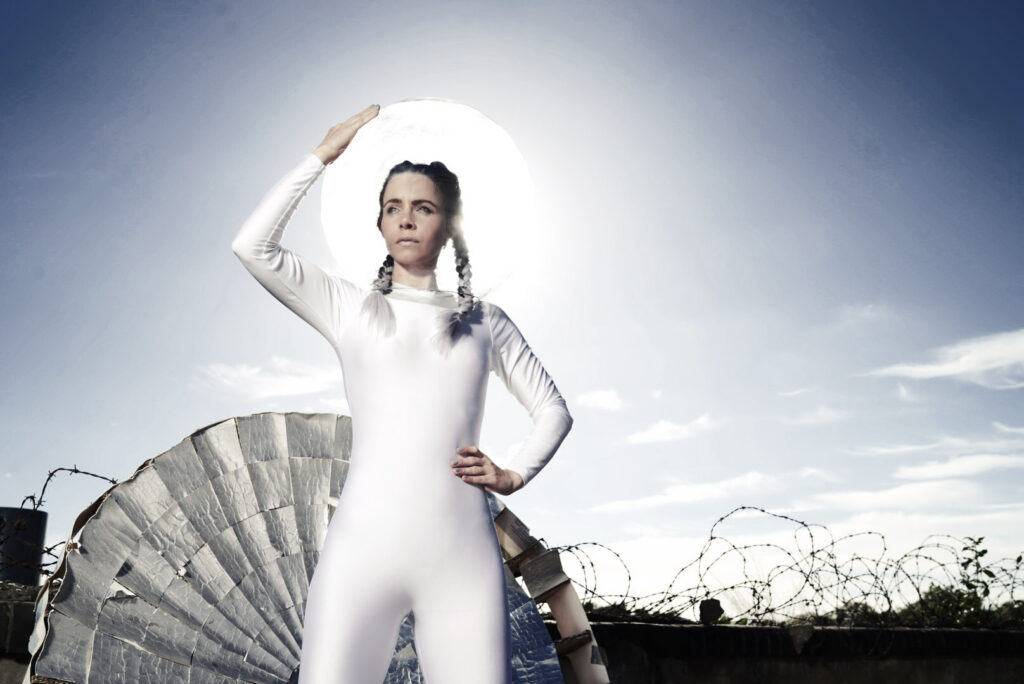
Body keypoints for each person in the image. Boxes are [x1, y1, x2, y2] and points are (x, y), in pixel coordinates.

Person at [231, 104, 574, 683]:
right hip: (361, 555)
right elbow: (252, 247)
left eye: (423, 208)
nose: (406, 220)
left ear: (451, 225)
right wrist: (322, 153)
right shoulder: (349, 308)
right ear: (379, 223)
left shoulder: (485, 321)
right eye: (393, 207)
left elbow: (553, 411)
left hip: (461, 561)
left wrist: (514, 474)